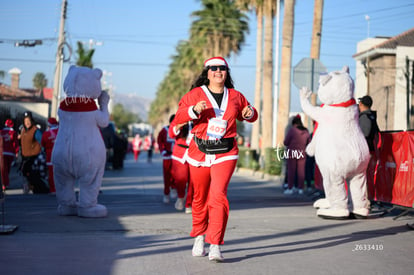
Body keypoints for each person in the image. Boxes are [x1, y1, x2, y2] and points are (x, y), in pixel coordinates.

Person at [173, 57, 258, 262]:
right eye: (213, 68)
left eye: (222, 68)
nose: (218, 71)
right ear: (207, 72)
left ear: (226, 72)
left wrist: (249, 113)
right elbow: (178, 117)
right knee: (199, 197)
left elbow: (251, 115)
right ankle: (200, 237)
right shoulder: (196, 94)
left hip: (226, 151)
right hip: (200, 151)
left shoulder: (236, 96)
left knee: (218, 195)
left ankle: (216, 244)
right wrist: (194, 110)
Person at [19, 111, 48, 194]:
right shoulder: (23, 130)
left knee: (34, 175)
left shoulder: (35, 131)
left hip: (34, 157)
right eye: (26, 121)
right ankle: (30, 186)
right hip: (25, 157)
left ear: (32, 121)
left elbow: (42, 142)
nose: (27, 123)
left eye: (29, 121)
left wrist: (42, 153)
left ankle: (39, 189)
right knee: (25, 173)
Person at [168, 121, 194, 213]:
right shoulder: (180, 117)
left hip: (195, 153)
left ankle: (189, 203)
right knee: (181, 179)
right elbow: (171, 133)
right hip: (180, 153)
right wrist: (179, 125)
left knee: (193, 181)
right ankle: (181, 196)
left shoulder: (201, 116)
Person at [283, 115, 310, 195]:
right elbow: (309, 142)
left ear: (294, 123)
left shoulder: (292, 130)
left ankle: (290, 188)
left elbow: (286, 142)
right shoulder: (306, 131)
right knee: (301, 172)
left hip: (292, 153)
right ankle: (300, 188)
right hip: (302, 153)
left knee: (291, 171)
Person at [157, 115, 177, 203]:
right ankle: (166, 194)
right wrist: (162, 150)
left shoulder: (180, 130)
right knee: (167, 176)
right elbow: (159, 140)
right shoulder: (164, 130)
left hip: (177, 157)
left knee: (176, 175)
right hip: (167, 156)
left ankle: (173, 188)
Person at [41, 117, 59, 194]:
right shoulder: (61, 131)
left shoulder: (46, 134)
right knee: (61, 174)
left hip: (50, 156)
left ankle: (53, 189)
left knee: (51, 174)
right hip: (60, 155)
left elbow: (43, 144)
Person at [1, 119, 19, 191]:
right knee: (7, 169)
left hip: (2, 153)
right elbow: (15, 143)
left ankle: (4, 183)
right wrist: (16, 152)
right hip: (10, 153)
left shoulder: (1, 132)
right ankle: (5, 183)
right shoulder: (13, 133)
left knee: (3, 169)